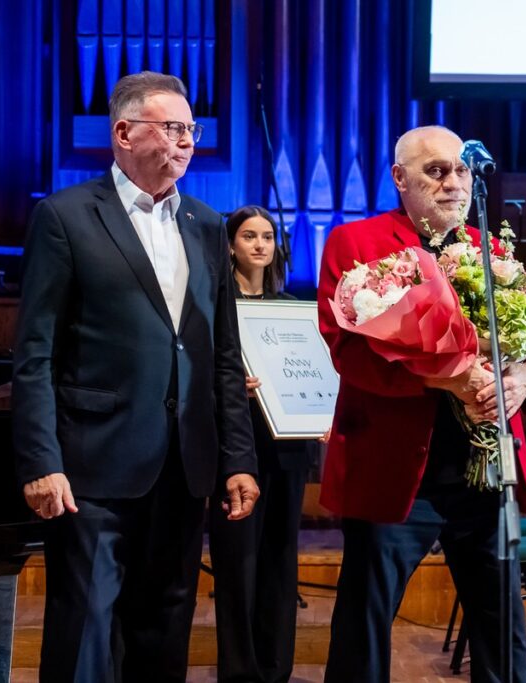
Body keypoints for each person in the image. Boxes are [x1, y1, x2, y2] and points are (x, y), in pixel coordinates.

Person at [12, 71, 258, 682]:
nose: (186, 141)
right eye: (171, 128)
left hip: (184, 465)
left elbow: (224, 355)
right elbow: (35, 353)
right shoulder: (65, 216)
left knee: (166, 629)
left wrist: (237, 458)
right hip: (91, 467)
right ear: (124, 133)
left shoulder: (207, 224)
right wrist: (41, 460)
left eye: (190, 130)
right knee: (84, 634)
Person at [316, 125, 526, 683]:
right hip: (396, 469)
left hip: (484, 470)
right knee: (365, 625)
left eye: (460, 170)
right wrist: (447, 379)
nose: (453, 183)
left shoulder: (493, 249)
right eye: (436, 171)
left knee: (502, 629)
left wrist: (524, 379)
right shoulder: (356, 242)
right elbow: (349, 351)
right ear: (400, 178)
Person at [208, 205, 311, 683]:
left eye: (267, 237)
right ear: (230, 245)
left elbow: (310, 373)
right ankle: (238, 672)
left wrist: (319, 408)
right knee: (237, 564)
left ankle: (274, 670)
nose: (260, 245)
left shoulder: (291, 307)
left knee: (280, 561)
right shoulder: (214, 306)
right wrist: (230, 385)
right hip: (235, 447)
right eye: (249, 236)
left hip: (287, 448)